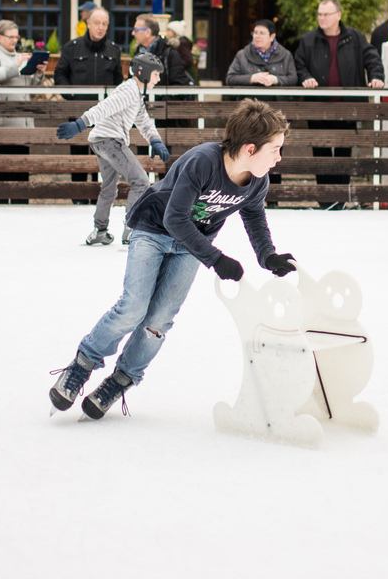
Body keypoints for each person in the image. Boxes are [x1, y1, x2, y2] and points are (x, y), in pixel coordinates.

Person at [47, 99, 297, 420]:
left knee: (158, 321)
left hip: (192, 245)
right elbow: (175, 219)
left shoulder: (257, 181)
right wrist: (216, 259)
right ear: (250, 149)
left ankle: (121, 380)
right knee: (133, 308)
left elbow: (254, 216)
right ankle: (83, 365)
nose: (280, 157)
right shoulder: (203, 162)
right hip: (154, 230)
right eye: (275, 149)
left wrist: (268, 256)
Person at [56, 52, 171, 247]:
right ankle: (132, 229)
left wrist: (155, 141)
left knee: (109, 187)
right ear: (144, 74)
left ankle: (100, 230)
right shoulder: (128, 91)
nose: (158, 79)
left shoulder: (136, 94)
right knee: (141, 181)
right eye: (156, 75)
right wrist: (80, 124)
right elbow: (104, 108)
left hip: (101, 141)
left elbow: (143, 122)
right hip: (110, 140)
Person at [294, 0, 384, 196]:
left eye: (326, 14)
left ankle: (340, 197)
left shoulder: (355, 38)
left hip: (347, 107)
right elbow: (298, 65)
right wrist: (306, 77)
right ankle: (324, 197)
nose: (322, 18)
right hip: (318, 107)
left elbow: (372, 58)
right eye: (319, 14)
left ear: (338, 15)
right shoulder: (308, 40)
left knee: (344, 152)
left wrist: (376, 77)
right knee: (321, 152)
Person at [55, 5, 124, 194]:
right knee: (78, 155)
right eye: (96, 23)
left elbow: (119, 82)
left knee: (102, 157)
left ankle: (98, 195)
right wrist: (71, 96)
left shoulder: (114, 50)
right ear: (88, 24)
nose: (100, 27)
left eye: (104, 24)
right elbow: (60, 75)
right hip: (78, 114)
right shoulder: (71, 48)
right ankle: (77, 194)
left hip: (104, 116)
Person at [0, 19, 46, 202]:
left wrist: (38, 72)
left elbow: (29, 86)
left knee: (22, 170)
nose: (14, 41)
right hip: (4, 122)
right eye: (10, 37)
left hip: (23, 121)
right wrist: (15, 66)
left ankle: (21, 204)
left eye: (16, 37)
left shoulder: (20, 56)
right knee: (2, 169)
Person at [226, 19, 299, 87]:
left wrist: (275, 79)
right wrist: (252, 78)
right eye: (255, 32)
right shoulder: (242, 55)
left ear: (272, 37)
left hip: (278, 100)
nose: (257, 36)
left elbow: (293, 79)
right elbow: (230, 79)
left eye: (262, 33)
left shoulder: (286, 55)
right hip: (250, 100)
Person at [133, 15, 189, 86]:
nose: (133, 33)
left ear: (147, 32)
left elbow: (178, 86)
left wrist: (160, 96)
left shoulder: (169, 53)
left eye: (136, 30)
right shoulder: (138, 52)